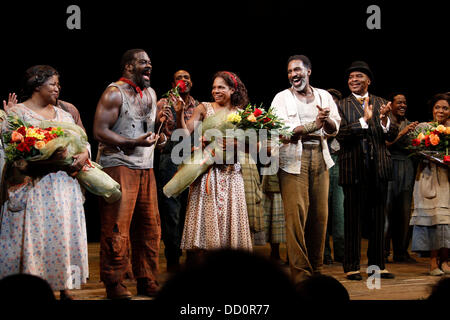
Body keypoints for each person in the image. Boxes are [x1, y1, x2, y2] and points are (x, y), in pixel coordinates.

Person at [0, 65, 90, 300]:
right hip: (35, 185)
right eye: (53, 84)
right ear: (37, 85)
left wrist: (84, 155)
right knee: (37, 237)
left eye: (58, 84)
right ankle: (37, 288)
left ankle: (66, 287)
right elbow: (12, 151)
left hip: (63, 187)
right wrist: (46, 157)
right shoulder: (18, 114)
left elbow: (83, 140)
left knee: (64, 235)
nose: (57, 88)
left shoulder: (65, 114)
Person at [93, 49, 170, 299]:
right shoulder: (114, 93)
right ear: (128, 67)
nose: (149, 66)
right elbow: (100, 131)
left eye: (150, 62)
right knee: (117, 227)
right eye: (143, 63)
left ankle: (147, 279)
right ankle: (114, 282)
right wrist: (131, 143)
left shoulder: (151, 92)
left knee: (150, 227)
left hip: (145, 167)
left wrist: (159, 140)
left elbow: (147, 132)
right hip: (118, 165)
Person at [271, 55, 341, 284]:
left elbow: (334, 128)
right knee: (296, 217)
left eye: (298, 70)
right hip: (293, 160)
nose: (294, 75)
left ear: (309, 71)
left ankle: (316, 270)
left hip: (320, 158)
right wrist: (314, 125)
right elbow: (283, 131)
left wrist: (326, 120)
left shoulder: (324, 96)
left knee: (320, 216)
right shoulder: (281, 98)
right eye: (290, 71)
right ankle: (300, 275)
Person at [173, 71, 253, 257]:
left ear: (232, 90)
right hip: (207, 175)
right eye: (214, 87)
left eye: (221, 87)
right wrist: (179, 115)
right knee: (204, 237)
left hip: (232, 175)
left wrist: (237, 144)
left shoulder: (242, 114)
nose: (215, 91)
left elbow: (255, 147)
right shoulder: (204, 108)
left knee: (229, 234)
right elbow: (185, 136)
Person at [336, 61, 397, 280]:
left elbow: (392, 135)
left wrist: (383, 121)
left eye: (359, 76)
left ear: (368, 80)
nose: (353, 80)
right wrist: (363, 121)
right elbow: (340, 134)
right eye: (351, 77)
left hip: (378, 168)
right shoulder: (341, 105)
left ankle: (377, 265)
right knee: (352, 219)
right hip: (353, 168)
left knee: (378, 220)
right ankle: (352, 266)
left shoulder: (382, 102)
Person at [155, 70, 199, 273]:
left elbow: (194, 133)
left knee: (191, 208)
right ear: (173, 83)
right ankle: (172, 257)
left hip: (192, 154)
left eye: (187, 77)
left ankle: (191, 253)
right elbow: (154, 131)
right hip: (170, 155)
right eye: (180, 78)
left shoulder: (198, 106)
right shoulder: (163, 103)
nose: (185, 80)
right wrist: (158, 120)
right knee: (171, 210)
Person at [409, 93, 450, 276]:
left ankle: (446, 260)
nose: (440, 111)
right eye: (437, 107)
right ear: (432, 109)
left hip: (447, 178)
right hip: (428, 176)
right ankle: (433, 262)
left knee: (446, 220)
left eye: (445, 108)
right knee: (432, 219)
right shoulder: (423, 127)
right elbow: (416, 149)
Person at [384, 93, 418, 263]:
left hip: (407, 166)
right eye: (399, 102)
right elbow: (386, 144)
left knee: (404, 212)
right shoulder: (386, 122)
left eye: (405, 102)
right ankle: (382, 252)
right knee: (387, 211)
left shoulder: (409, 124)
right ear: (391, 104)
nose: (403, 105)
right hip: (390, 165)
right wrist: (403, 132)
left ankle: (401, 252)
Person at [323, 88, 345, 265]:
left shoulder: (344, 120)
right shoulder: (322, 119)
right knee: (322, 210)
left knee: (340, 211)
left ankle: (341, 252)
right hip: (324, 161)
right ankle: (323, 254)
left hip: (341, 163)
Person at [261, 173, 287, 264]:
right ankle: (275, 253)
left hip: (288, 182)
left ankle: (288, 255)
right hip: (274, 184)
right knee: (275, 220)